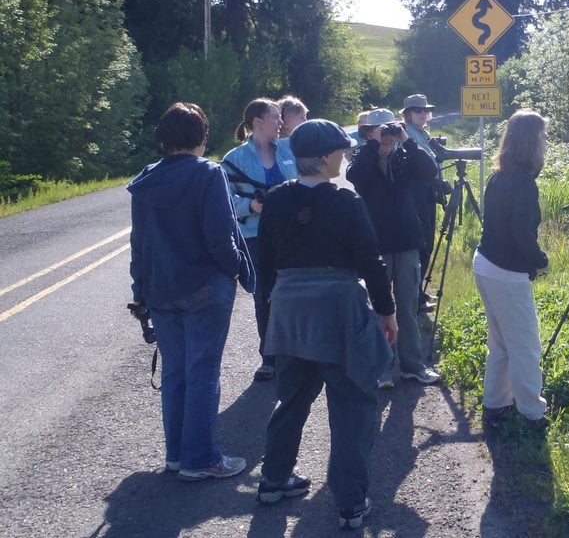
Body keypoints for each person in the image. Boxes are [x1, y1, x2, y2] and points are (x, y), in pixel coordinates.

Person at [255, 119, 398, 530]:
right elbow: (370, 261)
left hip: (289, 309)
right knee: (352, 406)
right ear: (323, 158)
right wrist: (387, 312)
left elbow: (264, 265)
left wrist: (269, 323)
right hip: (336, 308)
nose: (345, 156)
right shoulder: (346, 202)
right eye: (340, 152)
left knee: (291, 398)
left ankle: (273, 479)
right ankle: (351, 503)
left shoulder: (277, 199)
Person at [128, 102, 254, 481]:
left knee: (177, 373)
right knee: (203, 372)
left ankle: (177, 456)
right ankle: (201, 459)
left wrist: (141, 292)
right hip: (204, 286)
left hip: (161, 289)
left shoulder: (146, 179)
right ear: (201, 136)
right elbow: (220, 236)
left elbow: (140, 244)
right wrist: (237, 269)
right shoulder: (208, 174)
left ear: (163, 139)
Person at [347, 108, 442, 389]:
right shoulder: (361, 158)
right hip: (375, 241)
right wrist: (374, 146)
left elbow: (430, 170)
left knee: (408, 307)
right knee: (379, 307)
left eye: (390, 129)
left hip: (406, 240)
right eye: (380, 130)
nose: (387, 135)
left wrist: (407, 140)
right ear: (367, 133)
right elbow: (356, 178)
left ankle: (413, 366)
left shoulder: (405, 156)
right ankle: (381, 368)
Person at [473, 110, 550, 430]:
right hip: (506, 272)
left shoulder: (498, 175)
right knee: (525, 346)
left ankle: (495, 404)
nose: (546, 141)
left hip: (485, 264)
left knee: (501, 342)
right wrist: (541, 261)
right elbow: (521, 235)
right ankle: (532, 413)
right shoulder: (524, 183)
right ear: (531, 142)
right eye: (543, 136)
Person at [222, 98, 297, 382]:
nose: (281, 122)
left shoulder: (289, 149)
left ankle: (295, 352)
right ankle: (269, 358)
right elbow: (225, 200)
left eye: (281, 117)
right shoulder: (234, 159)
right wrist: (250, 206)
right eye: (275, 117)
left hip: (292, 234)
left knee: (293, 292)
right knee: (264, 295)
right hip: (255, 236)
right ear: (257, 122)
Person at [401, 93, 443, 313]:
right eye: (418, 110)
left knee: (426, 240)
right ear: (408, 113)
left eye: (426, 110)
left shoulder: (421, 133)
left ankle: (418, 292)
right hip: (416, 193)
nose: (424, 114)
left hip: (426, 192)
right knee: (422, 243)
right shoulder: (408, 134)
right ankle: (414, 297)